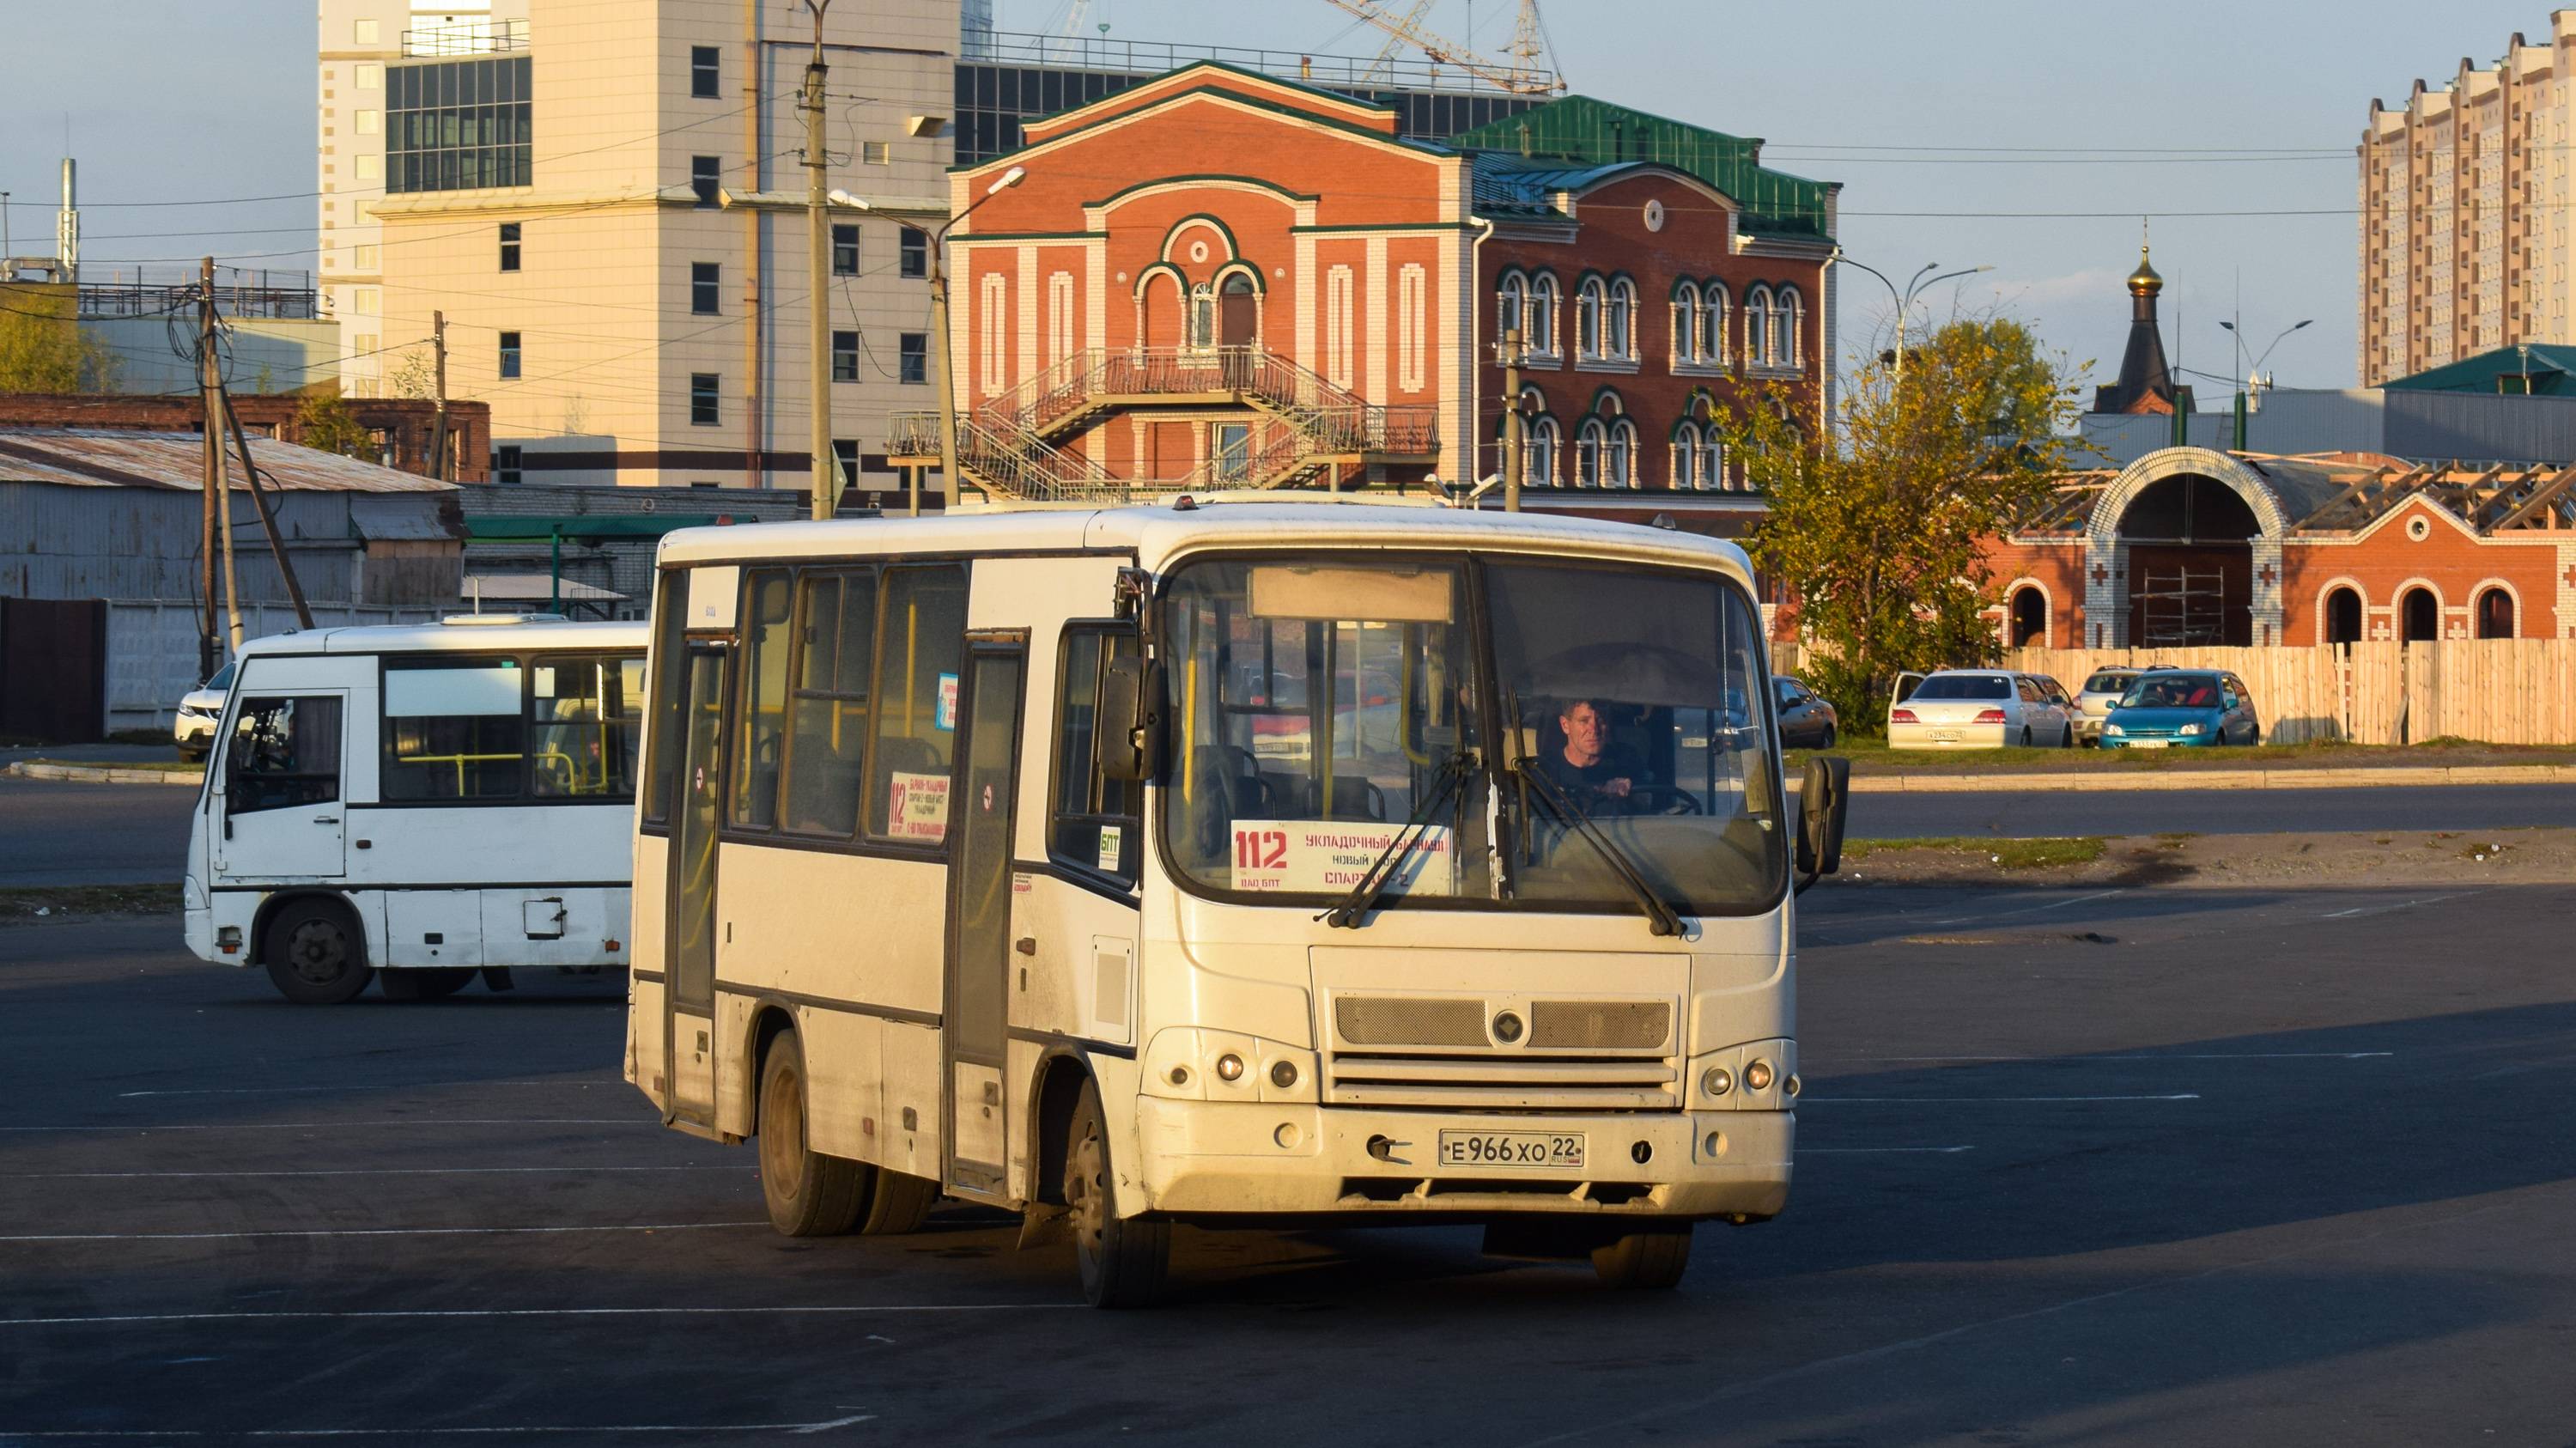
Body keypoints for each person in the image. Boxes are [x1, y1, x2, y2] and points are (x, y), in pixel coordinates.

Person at [1536, 697, 1643, 812]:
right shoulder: (1545, 772)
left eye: (1601, 720)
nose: (1594, 729)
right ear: (1565, 725)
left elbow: (1652, 810)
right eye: (1584, 721)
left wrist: (1627, 795)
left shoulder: (1626, 761)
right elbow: (1534, 825)